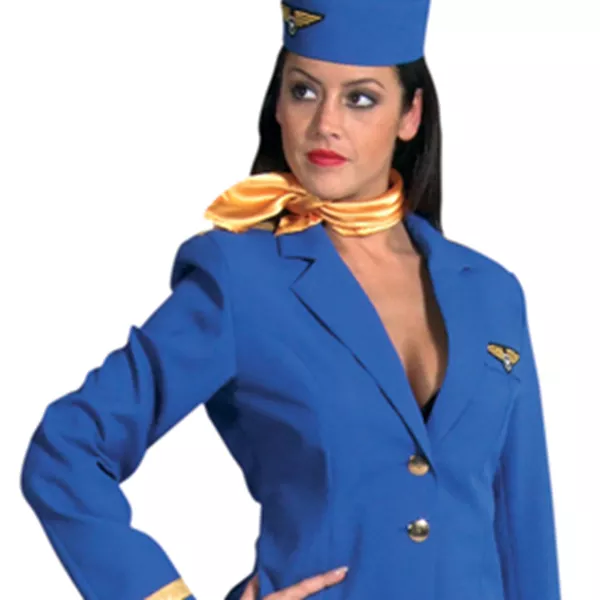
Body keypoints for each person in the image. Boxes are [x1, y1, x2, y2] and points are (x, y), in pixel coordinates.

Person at [20, 0, 562, 599]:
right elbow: (67, 450)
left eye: (360, 99)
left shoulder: (492, 292)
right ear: (278, 105)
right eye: (304, 91)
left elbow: (524, 528)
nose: (326, 123)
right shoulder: (239, 277)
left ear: (410, 115)